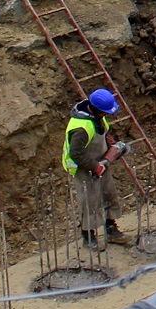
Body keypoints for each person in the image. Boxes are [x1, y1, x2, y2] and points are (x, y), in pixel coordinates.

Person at [61, 89, 129, 251]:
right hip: (83, 166)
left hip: (99, 160)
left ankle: (111, 228)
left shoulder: (97, 117)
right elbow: (76, 153)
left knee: (107, 193)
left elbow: (102, 132)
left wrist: (110, 144)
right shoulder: (81, 128)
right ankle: (88, 236)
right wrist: (95, 167)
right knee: (89, 200)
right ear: (98, 110)